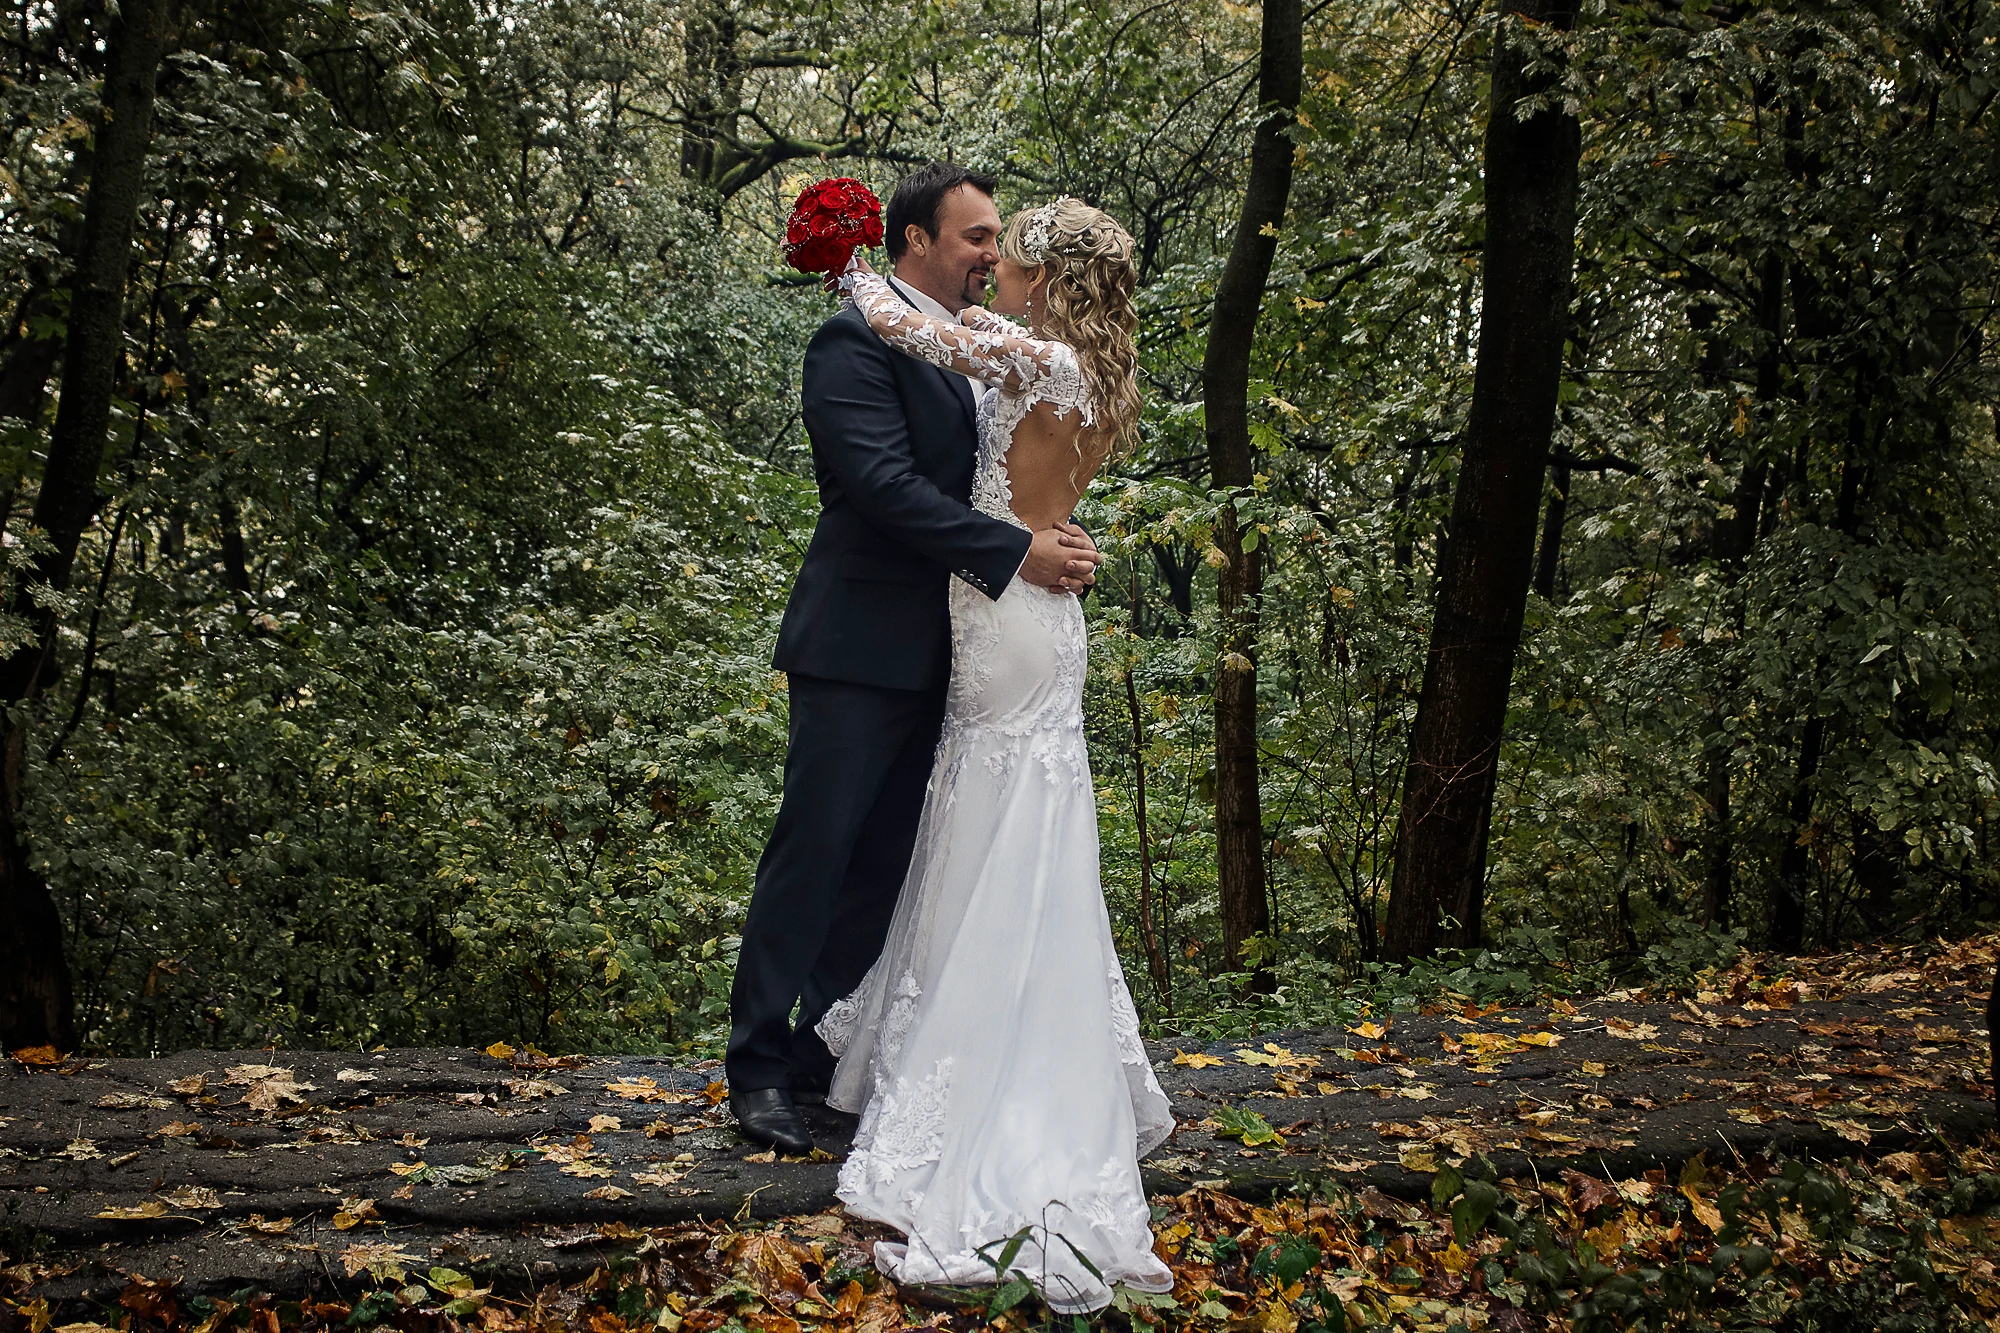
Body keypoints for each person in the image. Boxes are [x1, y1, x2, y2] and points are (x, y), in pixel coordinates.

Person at [812, 197, 1174, 1312]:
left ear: (1042, 275)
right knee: (1022, 826)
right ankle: (998, 1037)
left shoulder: (1031, 352)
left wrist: (846, 266)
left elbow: (904, 323)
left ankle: (969, 1071)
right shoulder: (1103, 376)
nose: (995, 274)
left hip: (1004, 615)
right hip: (1037, 621)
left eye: (1006, 257)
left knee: (987, 816)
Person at [724, 163, 1103, 1158]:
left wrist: (1053, 536)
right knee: (814, 856)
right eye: (975, 236)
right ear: (913, 240)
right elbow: (883, 485)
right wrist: (1010, 552)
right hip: (855, 647)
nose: (990, 254)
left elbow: (1014, 469)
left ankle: (821, 1051)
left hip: (954, 654)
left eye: (993, 238)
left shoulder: (971, 348)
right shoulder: (851, 341)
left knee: (887, 871)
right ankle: (756, 1066)